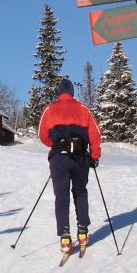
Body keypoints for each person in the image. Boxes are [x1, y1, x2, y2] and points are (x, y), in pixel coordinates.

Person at [37, 78, 102, 255]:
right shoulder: (83, 109)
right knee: (80, 192)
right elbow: (95, 134)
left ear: (58, 92)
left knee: (61, 196)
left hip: (59, 157)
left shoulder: (50, 109)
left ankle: (65, 238)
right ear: (72, 92)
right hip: (80, 157)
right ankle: (82, 232)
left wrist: (54, 144)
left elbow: (42, 134)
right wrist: (94, 156)